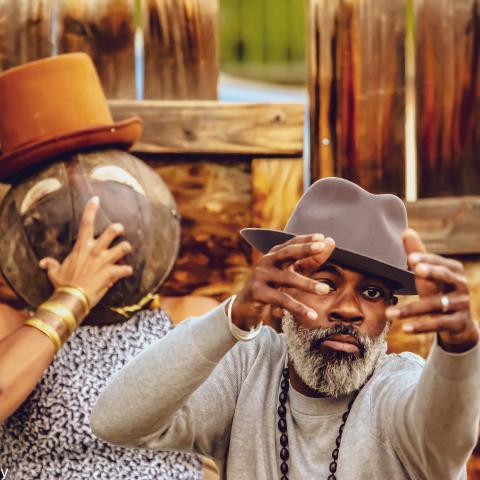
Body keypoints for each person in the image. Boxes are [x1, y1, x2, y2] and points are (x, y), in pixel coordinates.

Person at [91, 177, 480, 480]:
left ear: (386, 314)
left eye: (372, 292)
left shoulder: (396, 390)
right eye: (326, 283)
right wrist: (233, 318)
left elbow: (443, 441)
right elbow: (115, 421)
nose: (348, 309)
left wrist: (459, 348)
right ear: (281, 293)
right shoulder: (247, 370)